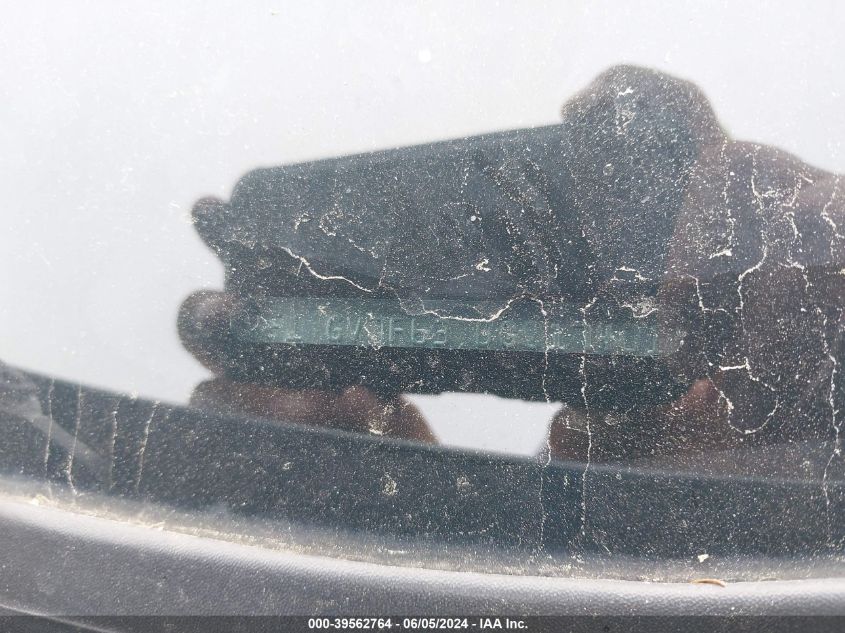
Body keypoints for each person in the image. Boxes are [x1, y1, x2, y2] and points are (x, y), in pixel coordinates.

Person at [178, 65, 845, 467]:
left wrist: (809, 418)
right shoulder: (590, 470)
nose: (616, 286)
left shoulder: (790, 440)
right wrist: (388, 477)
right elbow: (528, 594)